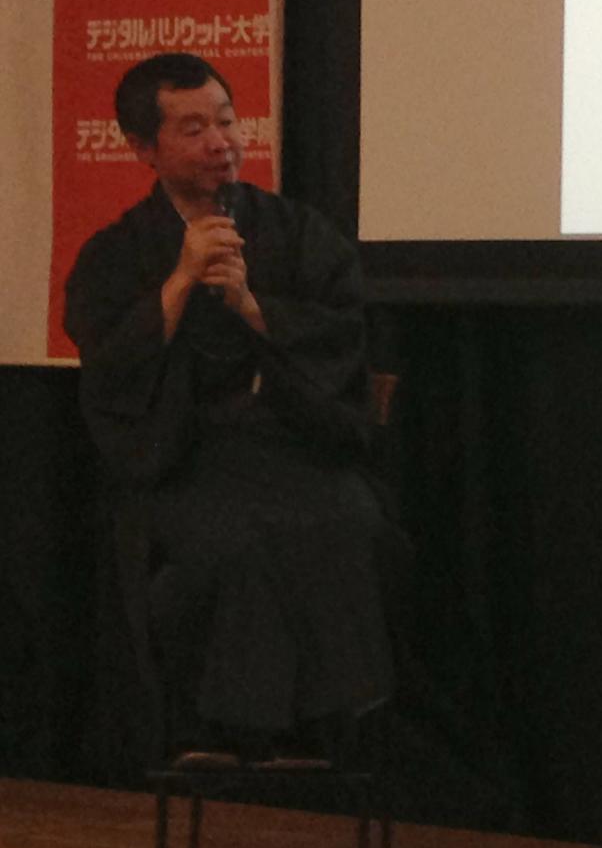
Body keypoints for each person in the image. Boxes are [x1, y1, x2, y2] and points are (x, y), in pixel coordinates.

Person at [63, 53, 393, 765]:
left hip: (292, 443)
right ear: (144, 150)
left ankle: (330, 733)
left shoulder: (299, 233)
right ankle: (238, 735)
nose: (221, 142)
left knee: (350, 520)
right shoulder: (114, 254)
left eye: (226, 121)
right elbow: (110, 370)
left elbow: (343, 336)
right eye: (192, 129)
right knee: (235, 543)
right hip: (184, 458)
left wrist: (251, 306)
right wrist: (181, 281)